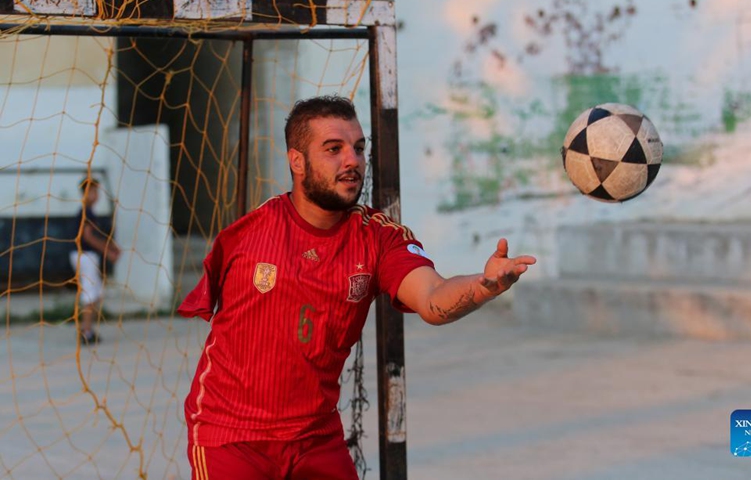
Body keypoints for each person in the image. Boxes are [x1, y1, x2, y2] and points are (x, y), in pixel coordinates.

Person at [178, 95, 536, 479]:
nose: (352, 161)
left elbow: (432, 298)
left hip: (316, 437)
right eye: (334, 149)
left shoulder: (379, 238)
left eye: (359, 148)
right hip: (232, 437)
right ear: (296, 161)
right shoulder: (249, 236)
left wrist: (483, 287)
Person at [70, 176, 121, 345]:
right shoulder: (86, 211)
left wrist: (111, 245)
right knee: (90, 294)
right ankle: (86, 332)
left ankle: (87, 328)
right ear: (86, 193)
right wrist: (107, 252)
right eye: (94, 191)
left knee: (97, 293)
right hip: (85, 256)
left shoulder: (90, 212)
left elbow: (97, 234)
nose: (97, 195)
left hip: (87, 256)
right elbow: (88, 237)